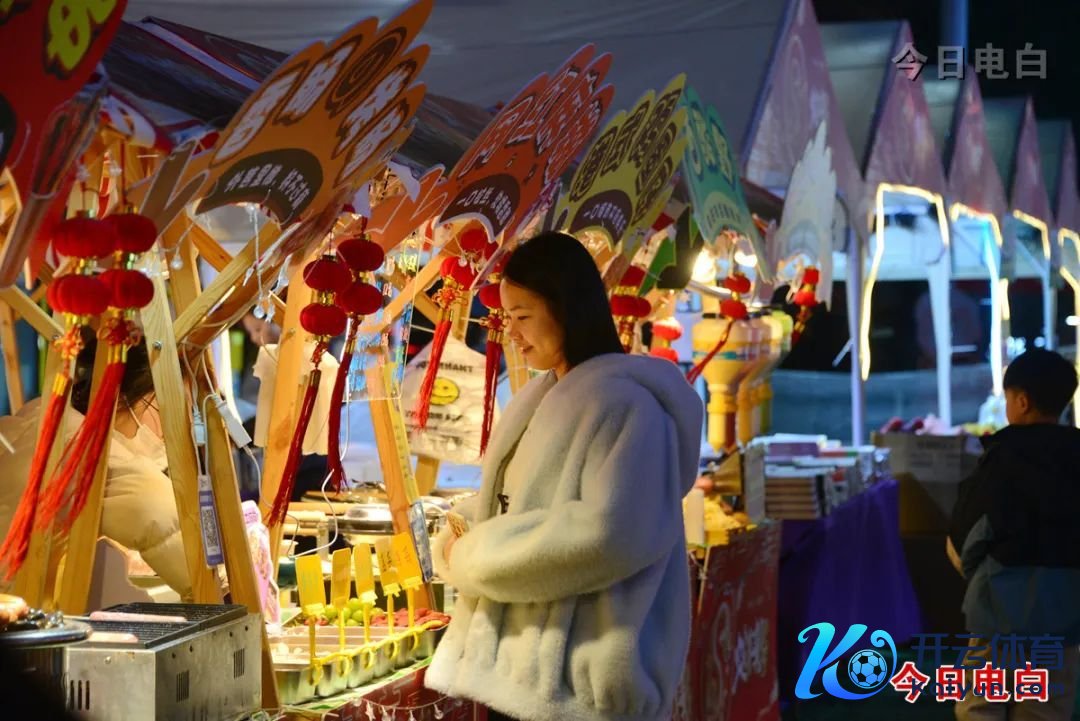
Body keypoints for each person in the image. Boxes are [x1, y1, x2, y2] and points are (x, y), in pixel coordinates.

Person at [425, 231, 704, 721]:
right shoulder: (543, 395)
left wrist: (474, 555)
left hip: (576, 693)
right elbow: (522, 499)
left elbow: (607, 535)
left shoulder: (629, 407)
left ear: (567, 308)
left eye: (523, 317)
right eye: (507, 318)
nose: (511, 333)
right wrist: (464, 522)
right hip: (521, 680)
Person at [0, 330, 191, 597]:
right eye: (167, 411)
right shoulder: (81, 442)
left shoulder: (43, 415)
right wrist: (224, 582)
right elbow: (158, 514)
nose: (169, 433)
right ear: (123, 397)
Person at [948, 348, 1080, 720]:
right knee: (1045, 706)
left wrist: (977, 581)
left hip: (998, 605)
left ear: (1022, 402)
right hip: (1065, 609)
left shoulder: (1001, 457)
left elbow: (967, 534)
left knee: (982, 705)